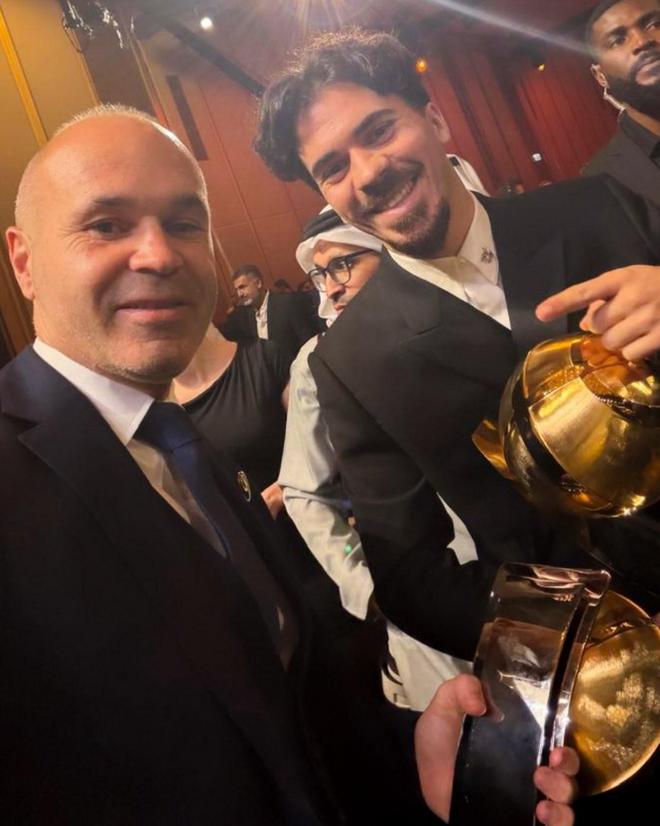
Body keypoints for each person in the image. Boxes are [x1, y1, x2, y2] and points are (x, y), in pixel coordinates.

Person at [0, 102, 579, 826]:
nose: (159, 255)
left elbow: (280, 708)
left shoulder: (185, 451)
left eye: (184, 223)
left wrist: (418, 764)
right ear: (24, 261)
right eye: (107, 225)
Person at [255, 25, 660, 659]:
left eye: (379, 131)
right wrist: (575, 645)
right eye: (332, 168)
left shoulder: (597, 209)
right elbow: (410, 574)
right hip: (597, 655)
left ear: (436, 120)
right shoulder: (350, 361)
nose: (368, 172)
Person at [279, 206, 473, 712]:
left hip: (515, 573)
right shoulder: (315, 360)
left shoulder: (457, 316)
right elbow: (303, 490)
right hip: (417, 604)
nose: (331, 288)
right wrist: (366, 585)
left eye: (344, 265)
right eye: (320, 274)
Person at [583, 0, 660, 205]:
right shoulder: (600, 181)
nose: (642, 42)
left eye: (654, 24)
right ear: (601, 77)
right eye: (617, 41)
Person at [219, 262, 323, 358]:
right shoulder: (245, 317)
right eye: (237, 289)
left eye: (242, 287)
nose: (239, 294)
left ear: (258, 283)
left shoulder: (286, 303)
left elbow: (309, 341)